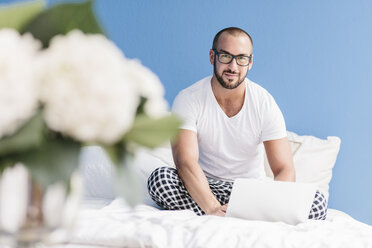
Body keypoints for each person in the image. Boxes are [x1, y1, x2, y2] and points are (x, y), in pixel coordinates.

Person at [147, 27, 327, 219]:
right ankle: (239, 217)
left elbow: (284, 169)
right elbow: (185, 162)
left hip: (253, 192)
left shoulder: (264, 102)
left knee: (317, 202)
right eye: (225, 56)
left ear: (250, 63)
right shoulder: (189, 98)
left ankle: (242, 214)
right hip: (206, 187)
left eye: (241, 59)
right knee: (160, 179)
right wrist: (212, 208)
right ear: (212, 57)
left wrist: (273, 204)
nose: (233, 67)